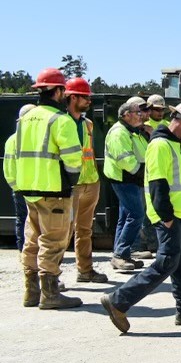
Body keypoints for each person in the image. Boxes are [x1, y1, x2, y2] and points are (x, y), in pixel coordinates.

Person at [100, 101, 181, 334]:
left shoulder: (174, 143)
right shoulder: (160, 145)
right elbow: (157, 183)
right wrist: (166, 217)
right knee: (165, 264)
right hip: (170, 217)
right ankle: (118, 301)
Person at [11, 68, 83, 309]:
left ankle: (30, 292)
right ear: (60, 91)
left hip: (29, 190)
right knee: (53, 241)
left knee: (32, 240)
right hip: (54, 190)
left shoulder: (25, 120)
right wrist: (71, 182)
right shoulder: (61, 120)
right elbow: (73, 159)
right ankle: (50, 294)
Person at [64, 78, 108, 282]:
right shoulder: (61, 123)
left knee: (84, 229)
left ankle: (85, 270)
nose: (89, 101)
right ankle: (53, 277)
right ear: (73, 97)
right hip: (71, 184)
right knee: (62, 232)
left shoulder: (88, 123)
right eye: (86, 97)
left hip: (90, 181)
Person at [104, 96, 150, 271]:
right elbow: (125, 160)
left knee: (125, 217)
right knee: (136, 215)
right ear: (126, 115)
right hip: (125, 179)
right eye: (137, 112)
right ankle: (121, 254)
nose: (141, 115)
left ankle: (122, 253)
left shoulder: (132, 130)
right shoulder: (119, 132)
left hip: (132, 179)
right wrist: (141, 172)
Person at [3, 104, 35, 252]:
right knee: (33, 221)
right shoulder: (31, 139)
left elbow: (8, 166)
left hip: (19, 187)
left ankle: (23, 250)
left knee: (22, 219)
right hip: (32, 187)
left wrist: (14, 184)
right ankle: (30, 251)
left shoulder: (11, 139)